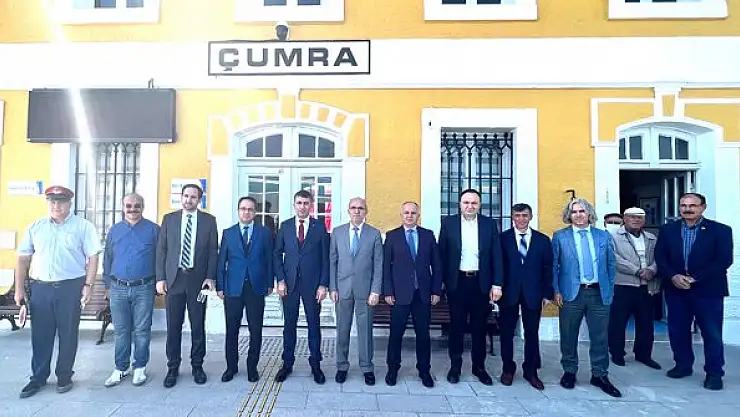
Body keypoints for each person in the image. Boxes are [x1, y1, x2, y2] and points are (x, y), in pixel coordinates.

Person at [15, 186, 102, 398]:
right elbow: (23, 258)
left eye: (61, 201)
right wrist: (19, 289)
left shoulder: (83, 226)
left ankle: (64, 375)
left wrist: (88, 286)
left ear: (69, 203)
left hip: (69, 288)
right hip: (41, 288)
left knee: (68, 333)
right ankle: (38, 377)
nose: (56, 205)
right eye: (52, 201)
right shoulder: (36, 227)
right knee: (40, 335)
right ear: (48, 203)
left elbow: (93, 257)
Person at [654, 193, 733, 390]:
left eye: (692, 205)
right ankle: (683, 365)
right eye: (683, 205)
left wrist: (694, 277)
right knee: (678, 330)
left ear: (703, 207)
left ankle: (714, 373)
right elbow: (660, 257)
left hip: (708, 291)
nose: (687, 209)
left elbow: (724, 260)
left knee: (711, 333)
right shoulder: (667, 230)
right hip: (676, 289)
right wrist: (673, 276)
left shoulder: (721, 230)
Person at [552, 198, 621, 398]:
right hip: (571, 294)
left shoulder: (603, 236)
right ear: (569, 215)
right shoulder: (560, 237)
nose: (578, 215)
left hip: (599, 293)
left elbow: (611, 264)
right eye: (574, 212)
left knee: (600, 337)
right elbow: (554, 266)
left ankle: (600, 374)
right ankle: (569, 371)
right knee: (568, 335)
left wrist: (609, 288)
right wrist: (556, 290)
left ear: (589, 213)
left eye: (582, 211)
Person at [156, 184, 219, 388]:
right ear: (181, 197)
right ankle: (172, 367)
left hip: (197, 281)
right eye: (185, 196)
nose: (188, 200)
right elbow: (161, 250)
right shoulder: (169, 219)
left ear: (199, 200)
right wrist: (160, 278)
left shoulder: (209, 221)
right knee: (173, 326)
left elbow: (213, 251)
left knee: (197, 325)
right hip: (174, 280)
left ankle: (197, 366)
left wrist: (210, 277)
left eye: (193, 197)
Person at [438, 189, 503, 386]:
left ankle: (479, 367)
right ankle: (455, 367)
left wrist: (497, 284)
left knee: (479, 327)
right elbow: (441, 254)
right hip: (457, 282)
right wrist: (441, 283)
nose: (470, 206)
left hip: (480, 283)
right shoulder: (448, 223)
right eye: (466, 202)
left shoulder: (489, 224)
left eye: (474, 203)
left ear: (479, 205)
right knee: (456, 327)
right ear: (460, 204)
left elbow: (496, 255)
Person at [102, 193, 160, 388]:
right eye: (128, 205)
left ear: (143, 207)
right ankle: (120, 368)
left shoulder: (153, 230)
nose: (132, 209)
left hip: (144, 287)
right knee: (121, 331)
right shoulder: (115, 230)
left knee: (142, 330)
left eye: (137, 205)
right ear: (123, 207)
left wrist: (159, 283)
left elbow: (160, 258)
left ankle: (140, 367)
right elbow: (107, 258)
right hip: (117, 288)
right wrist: (107, 285)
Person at [382, 201, 442, 388]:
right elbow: (385, 267)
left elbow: (437, 265)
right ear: (401, 215)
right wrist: (388, 291)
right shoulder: (392, 236)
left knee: (423, 335)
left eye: (413, 213)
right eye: (406, 212)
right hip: (399, 294)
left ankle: (424, 370)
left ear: (418, 215)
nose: (409, 216)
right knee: (396, 334)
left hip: (422, 294)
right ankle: (393, 369)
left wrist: (436, 290)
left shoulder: (428, 235)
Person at [273, 190, 330, 384]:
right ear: (294, 205)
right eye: (299, 203)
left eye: (306, 203)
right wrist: (280, 280)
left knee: (314, 325)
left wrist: (323, 284)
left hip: (312, 285)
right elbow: (276, 254)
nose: (302, 206)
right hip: (289, 285)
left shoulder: (319, 227)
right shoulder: (285, 226)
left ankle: (316, 365)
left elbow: (325, 258)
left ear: (311, 205)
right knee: (289, 325)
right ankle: (287, 364)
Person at [217, 196, 274, 383]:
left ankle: (252, 367)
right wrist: (220, 286)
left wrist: (270, 283)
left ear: (255, 212)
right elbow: (221, 261)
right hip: (233, 288)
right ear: (238, 211)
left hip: (256, 288)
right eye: (243, 209)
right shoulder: (228, 233)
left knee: (255, 330)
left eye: (250, 209)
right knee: (231, 329)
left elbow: (269, 260)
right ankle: (231, 367)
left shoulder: (264, 233)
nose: (246, 212)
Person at [498, 203, 553, 390]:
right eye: (517, 215)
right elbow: (497, 265)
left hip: (533, 293)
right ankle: (508, 368)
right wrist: (496, 288)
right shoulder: (503, 239)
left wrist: (547, 293)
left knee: (531, 333)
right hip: (508, 293)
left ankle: (531, 371)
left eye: (524, 215)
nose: (520, 219)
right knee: (506, 333)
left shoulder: (542, 240)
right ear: (512, 217)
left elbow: (548, 268)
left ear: (530, 217)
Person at [329, 197, 383, 386]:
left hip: (365, 291)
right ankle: (342, 366)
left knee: (365, 330)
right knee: (342, 329)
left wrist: (375, 290)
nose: (357, 211)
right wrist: (333, 287)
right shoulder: (337, 232)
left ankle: (367, 367)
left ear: (366, 211)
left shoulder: (374, 234)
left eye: (360, 208)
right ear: (348, 210)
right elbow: (332, 262)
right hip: (342, 289)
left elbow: (378, 264)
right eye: (353, 207)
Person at [607, 207, 661, 370]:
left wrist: (652, 270)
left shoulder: (651, 237)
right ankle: (617, 353)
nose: (636, 220)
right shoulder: (613, 237)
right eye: (632, 217)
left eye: (639, 217)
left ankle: (643, 355)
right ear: (625, 219)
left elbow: (660, 257)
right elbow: (614, 258)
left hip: (647, 286)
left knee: (646, 323)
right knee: (618, 322)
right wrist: (636, 271)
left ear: (644, 220)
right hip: (623, 285)